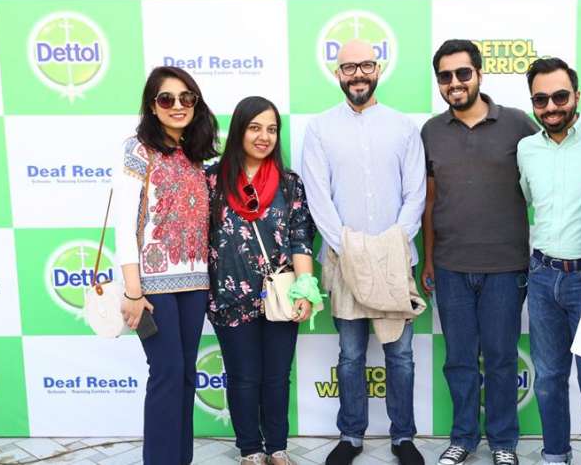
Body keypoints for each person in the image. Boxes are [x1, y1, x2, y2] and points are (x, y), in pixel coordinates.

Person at [301, 39, 426, 465]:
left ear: (378, 69)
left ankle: (403, 437)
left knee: (401, 356)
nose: (358, 74)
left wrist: (391, 246)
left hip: (396, 263)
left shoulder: (403, 127)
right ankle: (350, 435)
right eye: (349, 67)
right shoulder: (320, 129)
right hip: (344, 263)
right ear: (337, 73)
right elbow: (319, 199)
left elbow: (415, 195)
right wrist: (351, 249)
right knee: (351, 355)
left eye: (366, 66)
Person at [420, 39, 538, 465]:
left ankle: (503, 442)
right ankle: (463, 438)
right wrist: (429, 259)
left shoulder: (518, 124)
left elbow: (555, 159)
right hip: (450, 267)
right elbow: (430, 201)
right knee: (459, 360)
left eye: (463, 73)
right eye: (445, 76)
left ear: (479, 74)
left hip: (506, 268)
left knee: (502, 359)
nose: (454, 82)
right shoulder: (431, 131)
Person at [206, 96, 322, 465]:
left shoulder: (289, 184)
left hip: (280, 295)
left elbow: (301, 238)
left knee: (276, 377)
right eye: (255, 128)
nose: (264, 137)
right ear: (239, 130)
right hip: (228, 296)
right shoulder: (212, 180)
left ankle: (277, 447)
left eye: (271, 129)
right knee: (243, 377)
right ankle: (250, 450)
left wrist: (305, 289)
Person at [517, 57, 581, 465]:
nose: (551, 107)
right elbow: (529, 200)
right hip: (542, 276)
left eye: (560, 96)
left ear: (577, 95)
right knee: (547, 379)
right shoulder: (526, 149)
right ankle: (555, 456)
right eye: (540, 99)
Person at [113, 66, 218, 464]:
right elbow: (125, 224)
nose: (178, 105)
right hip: (152, 286)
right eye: (166, 98)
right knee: (167, 372)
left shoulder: (195, 155)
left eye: (186, 97)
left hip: (195, 283)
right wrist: (133, 292)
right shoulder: (138, 150)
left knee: (186, 374)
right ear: (152, 105)